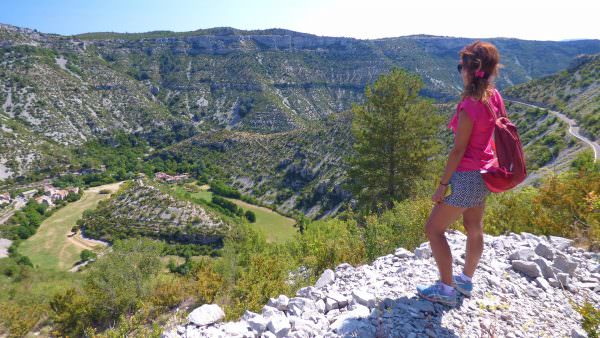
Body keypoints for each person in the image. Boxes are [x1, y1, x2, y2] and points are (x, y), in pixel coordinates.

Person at [416, 40, 504, 307]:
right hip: (486, 172)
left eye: (460, 66)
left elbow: (458, 150)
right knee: (474, 227)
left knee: (433, 229)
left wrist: (442, 185)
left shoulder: (469, 105)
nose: (459, 71)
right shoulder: (494, 96)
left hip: (466, 175)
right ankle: (465, 281)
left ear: (470, 69)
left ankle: (445, 289)